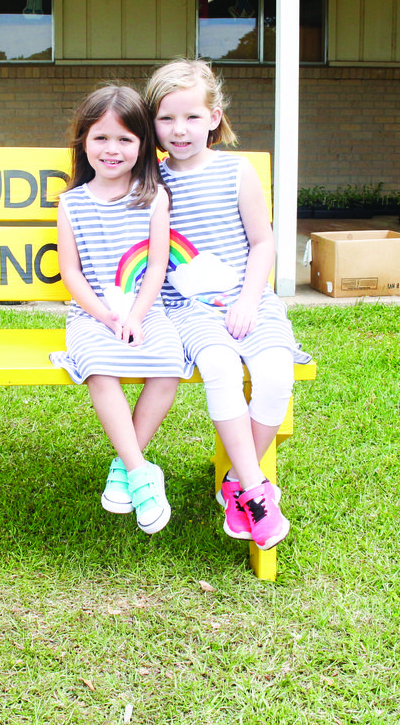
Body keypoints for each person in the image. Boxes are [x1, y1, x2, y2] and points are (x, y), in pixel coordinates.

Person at [145, 59, 310, 551]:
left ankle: (237, 484)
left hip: (249, 300)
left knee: (276, 374)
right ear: (151, 122)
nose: (179, 130)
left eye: (192, 117)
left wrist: (247, 300)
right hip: (189, 308)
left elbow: (263, 243)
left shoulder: (236, 172)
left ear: (214, 117)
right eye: (166, 119)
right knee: (218, 365)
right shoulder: (150, 179)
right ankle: (255, 490)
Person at [50, 85, 193, 535]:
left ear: (142, 145)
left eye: (125, 139)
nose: (112, 150)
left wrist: (134, 315)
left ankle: (124, 464)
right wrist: (107, 317)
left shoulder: (153, 197)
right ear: (84, 142)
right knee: (98, 367)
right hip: (91, 313)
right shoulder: (72, 202)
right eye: (101, 138)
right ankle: (141, 473)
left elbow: (156, 267)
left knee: (169, 363)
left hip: (145, 309)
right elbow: (71, 274)